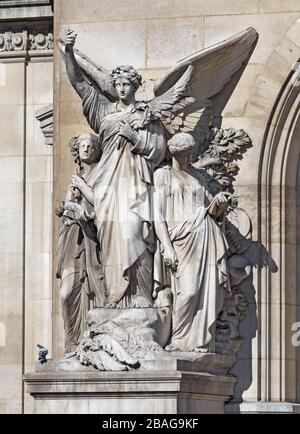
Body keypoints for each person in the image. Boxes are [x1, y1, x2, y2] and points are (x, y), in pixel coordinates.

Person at [64, 30, 166, 308]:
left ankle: (142, 295)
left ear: (135, 86)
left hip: (135, 181)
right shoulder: (103, 112)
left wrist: (134, 137)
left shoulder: (145, 115)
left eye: (127, 84)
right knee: (110, 236)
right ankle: (115, 296)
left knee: (136, 231)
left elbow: (158, 150)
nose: (121, 88)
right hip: (107, 183)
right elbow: (78, 83)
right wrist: (69, 53)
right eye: (118, 83)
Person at [153, 133, 231, 352]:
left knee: (206, 291)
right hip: (180, 238)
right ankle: (178, 339)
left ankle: (199, 340)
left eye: (189, 153)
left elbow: (209, 208)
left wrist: (219, 202)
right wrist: (167, 246)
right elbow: (157, 215)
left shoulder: (198, 175)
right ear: (173, 153)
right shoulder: (162, 175)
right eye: (183, 153)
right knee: (188, 292)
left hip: (206, 235)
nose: (187, 157)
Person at [56, 133, 105, 354]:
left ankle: (88, 339)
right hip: (72, 240)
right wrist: (65, 207)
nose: (85, 148)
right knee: (65, 294)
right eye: (82, 145)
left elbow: (102, 202)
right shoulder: (76, 176)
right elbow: (66, 206)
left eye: (90, 145)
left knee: (89, 291)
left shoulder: (102, 173)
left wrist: (82, 194)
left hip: (92, 241)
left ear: (96, 149)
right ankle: (71, 341)